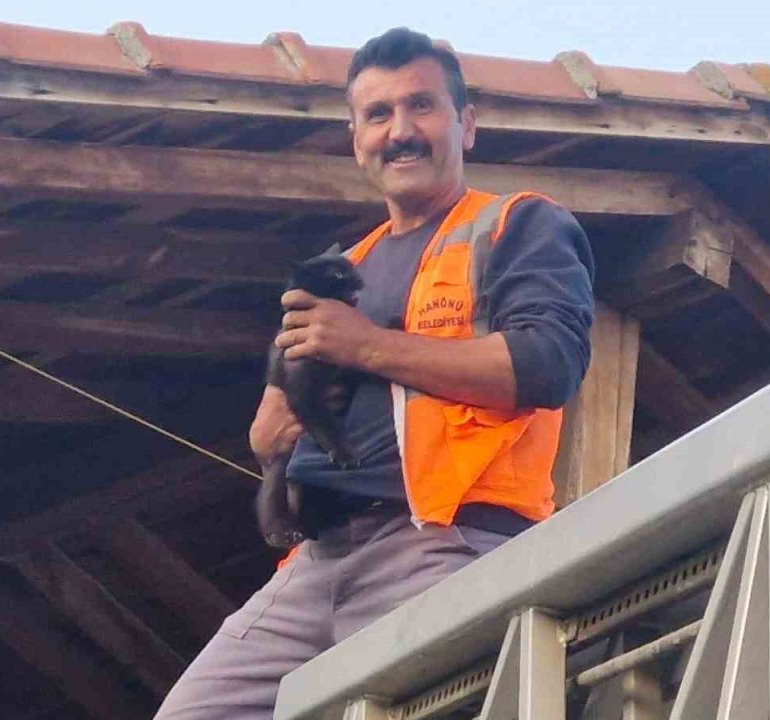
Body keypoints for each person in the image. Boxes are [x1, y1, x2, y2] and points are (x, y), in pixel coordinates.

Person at [153, 26, 595, 719]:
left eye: (421, 106)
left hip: (445, 541)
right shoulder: (343, 267)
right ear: (356, 139)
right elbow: (280, 412)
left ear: (466, 124)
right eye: (378, 114)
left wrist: (365, 346)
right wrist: (271, 433)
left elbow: (548, 364)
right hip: (319, 557)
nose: (401, 131)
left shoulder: (517, 224)